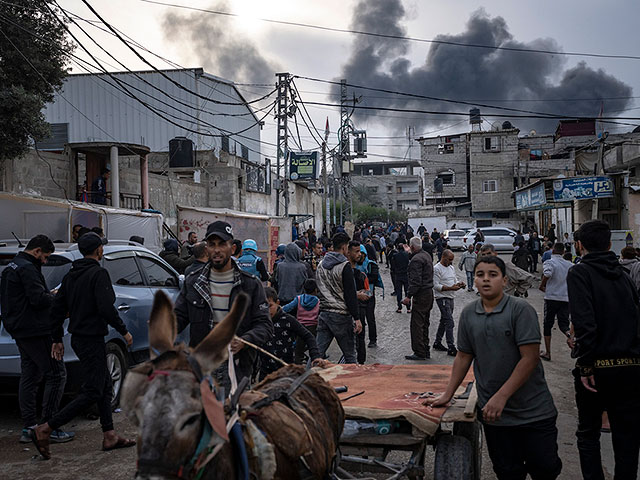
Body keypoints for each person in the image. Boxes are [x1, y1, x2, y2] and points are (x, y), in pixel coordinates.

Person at [428, 255, 562, 480]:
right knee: (507, 471)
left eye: (493, 274)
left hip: (533, 411)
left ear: (505, 280)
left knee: (545, 468)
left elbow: (529, 359)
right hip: (495, 416)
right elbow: (463, 357)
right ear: (475, 281)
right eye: (480, 275)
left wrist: (501, 396)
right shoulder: (469, 314)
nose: (486, 280)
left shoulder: (520, 310)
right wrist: (448, 394)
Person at [32, 233, 135, 459]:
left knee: (105, 385)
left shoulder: (71, 276)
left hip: (80, 339)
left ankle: (109, 434)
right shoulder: (99, 274)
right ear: (99, 250)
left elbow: (57, 310)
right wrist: (124, 330)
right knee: (94, 390)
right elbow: (106, 307)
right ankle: (46, 427)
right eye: (101, 248)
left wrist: (57, 338)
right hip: (91, 339)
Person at [567, 220, 640, 480]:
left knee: (588, 434)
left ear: (579, 245)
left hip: (597, 370)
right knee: (628, 436)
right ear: (610, 244)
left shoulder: (579, 273)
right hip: (631, 369)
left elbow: (586, 324)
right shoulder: (624, 275)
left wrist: (586, 365)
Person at [175, 221, 273, 390]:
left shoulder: (250, 285)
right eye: (212, 245)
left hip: (236, 367)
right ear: (207, 249)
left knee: (232, 415)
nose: (217, 250)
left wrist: (245, 340)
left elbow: (264, 325)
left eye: (222, 244)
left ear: (232, 248)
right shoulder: (193, 282)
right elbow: (179, 318)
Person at [0, 235, 73, 445]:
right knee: (57, 374)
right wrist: (56, 298)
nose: (45, 261)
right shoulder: (27, 269)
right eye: (45, 257)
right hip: (35, 329)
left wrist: (45, 294)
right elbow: (38, 299)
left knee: (30, 375)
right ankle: (48, 426)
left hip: (19, 329)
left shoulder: (13, 266)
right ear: (37, 251)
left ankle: (29, 427)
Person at [315, 233, 362, 364]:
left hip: (324, 314)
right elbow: (350, 294)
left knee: (317, 355)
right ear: (343, 247)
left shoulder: (320, 265)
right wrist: (357, 318)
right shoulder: (344, 266)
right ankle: (352, 382)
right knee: (350, 356)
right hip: (341, 315)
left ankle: (306, 381)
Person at [259, 287, 321, 379]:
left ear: (277, 303)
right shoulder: (259, 322)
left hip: (287, 371)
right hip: (266, 373)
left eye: (270, 306)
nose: (267, 311)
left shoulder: (288, 320)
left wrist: (315, 356)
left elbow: (308, 336)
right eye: (263, 307)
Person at [539, 243, 573, 361]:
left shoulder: (550, 262)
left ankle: (548, 352)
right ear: (563, 252)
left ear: (552, 251)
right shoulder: (570, 265)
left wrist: (542, 285)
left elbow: (547, 273)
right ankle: (570, 336)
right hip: (565, 298)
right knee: (563, 323)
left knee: (548, 324)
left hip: (551, 297)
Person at [403, 236, 434, 360]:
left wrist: (408, 296)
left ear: (412, 247)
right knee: (425, 323)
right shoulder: (426, 255)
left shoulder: (416, 260)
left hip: (421, 295)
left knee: (417, 324)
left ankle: (419, 352)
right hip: (428, 293)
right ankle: (425, 349)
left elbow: (416, 281)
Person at [432, 249, 465, 356]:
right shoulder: (437, 269)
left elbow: (454, 280)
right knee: (449, 322)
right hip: (442, 298)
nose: (451, 262)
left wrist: (459, 284)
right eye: (449, 260)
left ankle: (437, 342)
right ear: (443, 257)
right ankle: (451, 346)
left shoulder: (450, 267)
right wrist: (450, 288)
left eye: (452, 260)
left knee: (444, 320)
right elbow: (436, 286)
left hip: (450, 297)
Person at [282, 279, 321, 364]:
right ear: (316, 290)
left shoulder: (299, 299)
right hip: (313, 328)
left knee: (298, 351)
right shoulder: (318, 301)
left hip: (300, 328)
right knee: (314, 347)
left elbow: (287, 308)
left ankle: (298, 369)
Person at [347, 242, 373, 364]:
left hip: (360, 311)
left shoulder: (361, 275)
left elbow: (368, 293)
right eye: (356, 252)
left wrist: (364, 294)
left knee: (360, 338)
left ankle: (360, 365)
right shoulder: (342, 273)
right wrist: (357, 294)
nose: (359, 255)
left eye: (360, 252)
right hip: (346, 311)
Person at [356, 244, 379, 348]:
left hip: (369, 294)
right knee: (359, 319)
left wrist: (362, 278)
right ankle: (360, 341)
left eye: (361, 253)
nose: (360, 256)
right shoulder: (354, 265)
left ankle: (373, 340)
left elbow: (374, 278)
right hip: (358, 295)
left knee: (370, 318)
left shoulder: (371, 264)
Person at [391, 242, 410, 313]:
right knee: (407, 291)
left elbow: (392, 265)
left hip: (398, 275)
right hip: (406, 274)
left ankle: (399, 307)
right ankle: (408, 308)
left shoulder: (395, 255)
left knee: (399, 291)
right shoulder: (407, 255)